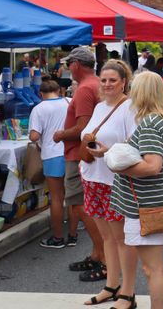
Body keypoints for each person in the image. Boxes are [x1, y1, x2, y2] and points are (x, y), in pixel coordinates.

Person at [102, 72, 163, 309]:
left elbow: (153, 166)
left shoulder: (149, 124)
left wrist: (119, 167)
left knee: (152, 268)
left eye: (134, 88)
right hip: (153, 202)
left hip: (144, 206)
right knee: (154, 267)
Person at [80, 60, 137, 305]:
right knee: (107, 238)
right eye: (103, 80)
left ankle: (128, 291)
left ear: (124, 82)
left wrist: (107, 151)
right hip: (93, 178)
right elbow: (88, 133)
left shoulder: (130, 108)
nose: (107, 84)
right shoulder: (100, 107)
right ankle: (112, 285)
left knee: (121, 239)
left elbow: (134, 146)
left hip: (115, 181)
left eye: (112, 80)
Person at [53, 46, 105, 278]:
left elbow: (83, 128)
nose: (67, 69)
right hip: (89, 153)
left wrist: (60, 134)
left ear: (75, 64)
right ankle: (98, 254)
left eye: (68, 64)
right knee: (89, 205)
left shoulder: (84, 89)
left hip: (78, 153)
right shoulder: (95, 84)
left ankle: (102, 256)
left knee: (81, 206)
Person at [29, 80, 71, 248]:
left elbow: (34, 136)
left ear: (41, 94)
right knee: (73, 196)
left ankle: (58, 237)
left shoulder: (39, 109)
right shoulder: (68, 102)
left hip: (52, 154)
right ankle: (75, 232)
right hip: (70, 152)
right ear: (59, 90)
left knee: (56, 198)